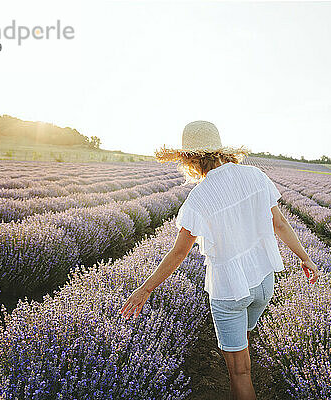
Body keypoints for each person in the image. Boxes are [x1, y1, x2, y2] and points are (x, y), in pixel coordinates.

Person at [120, 120, 320, 400]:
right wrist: (305, 257)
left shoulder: (198, 198)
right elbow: (280, 224)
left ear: (189, 158)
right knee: (245, 340)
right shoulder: (255, 176)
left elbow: (179, 253)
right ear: (220, 150)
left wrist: (145, 289)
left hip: (229, 290)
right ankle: (243, 351)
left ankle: (242, 363)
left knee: (240, 373)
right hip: (263, 283)